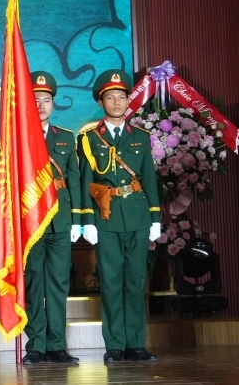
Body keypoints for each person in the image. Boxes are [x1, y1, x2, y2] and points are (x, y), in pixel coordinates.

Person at [79, 69, 160, 362]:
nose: (116, 102)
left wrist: (155, 217)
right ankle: (114, 344)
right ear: (101, 102)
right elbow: (85, 182)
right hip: (106, 217)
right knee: (111, 282)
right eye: (110, 97)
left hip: (137, 216)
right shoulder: (89, 139)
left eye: (121, 97)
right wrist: (88, 221)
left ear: (128, 101)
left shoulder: (140, 137)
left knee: (136, 281)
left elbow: (149, 179)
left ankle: (136, 342)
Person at [21, 71, 82, 365]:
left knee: (58, 283)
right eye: (35, 100)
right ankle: (36, 344)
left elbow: (74, 181)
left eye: (46, 100)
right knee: (34, 283)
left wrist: (77, 219)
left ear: (53, 103)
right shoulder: (18, 139)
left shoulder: (65, 137)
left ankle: (57, 344)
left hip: (60, 219)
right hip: (31, 221)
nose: (41, 105)